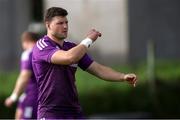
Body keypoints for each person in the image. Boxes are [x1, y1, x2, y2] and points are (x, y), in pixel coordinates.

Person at [32, 7, 137, 119]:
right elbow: (69, 57)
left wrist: (123, 76)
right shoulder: (42, 46)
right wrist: (88, 40)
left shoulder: (72, 47)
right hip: (51, 112)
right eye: (60, 23)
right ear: (48, 25)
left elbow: (98, 69)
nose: (65, 26)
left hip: (74, 111)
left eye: (66, 22)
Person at [5, 31, 39, 119]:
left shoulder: (28, 53)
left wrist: (13, 97)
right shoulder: (45, 52)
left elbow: (24, 77)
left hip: (33, 97)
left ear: (26, 42)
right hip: (50, 99)